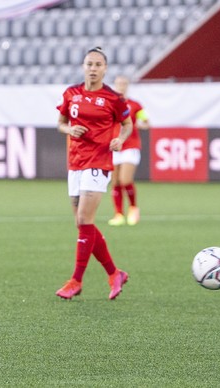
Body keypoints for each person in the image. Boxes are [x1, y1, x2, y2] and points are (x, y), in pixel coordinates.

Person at [54, 47, 133, 300]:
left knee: (85, 221)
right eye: (89, 63)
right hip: (75, 163)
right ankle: (114, 273)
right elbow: (61, 122)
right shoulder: (71, 93)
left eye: (98, 64)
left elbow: (128, 124)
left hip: (99, 162)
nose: (93, 68)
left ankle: (76, 280)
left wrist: (120, 139)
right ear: (83, 66)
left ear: (105, 68)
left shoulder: (113, 98)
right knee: (81, 222)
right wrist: (69, 130)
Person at [108, 75, 150, 226]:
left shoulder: (135, 105)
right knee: (115, 182)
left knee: (125, 180)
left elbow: (146, 122)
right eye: (119, 83)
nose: (121, 86)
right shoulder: (110, 104)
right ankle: (118, 214)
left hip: (130, 145)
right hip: (114, 146)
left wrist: (140, 125)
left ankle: (133, 208)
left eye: (124, 84)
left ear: (127, 86)